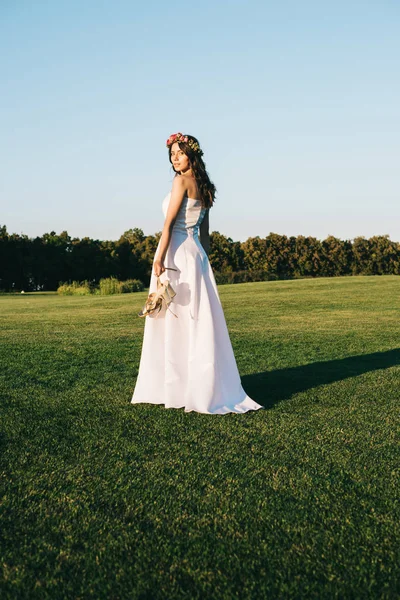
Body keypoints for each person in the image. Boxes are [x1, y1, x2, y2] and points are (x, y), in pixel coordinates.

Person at [131, 132, 263, 414]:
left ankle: (175, 386)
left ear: (192, 154)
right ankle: (196, 384)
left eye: (179, 153)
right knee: (195, 319)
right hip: (195, 257)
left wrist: (160, 260)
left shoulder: (180, 182)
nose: (174, 158)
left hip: (175, 252)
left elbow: (168, 226)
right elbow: (205, 235)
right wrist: (203, 263)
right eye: (171, 155)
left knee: (171, 318)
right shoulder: (207, 188)